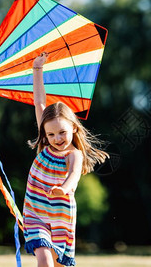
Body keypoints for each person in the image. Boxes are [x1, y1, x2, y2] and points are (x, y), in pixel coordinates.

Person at [23, 52, 109, 267]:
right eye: (51, 134)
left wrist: (63, 188)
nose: (56, 138)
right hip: (36, 211)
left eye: (61, 132)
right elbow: (39, 102)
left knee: (59, 263)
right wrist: (37, 69)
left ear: (73, 127)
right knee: (43, 256)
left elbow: (73, 176)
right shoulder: (45, 144)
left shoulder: (74, 154)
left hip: (61, 214)